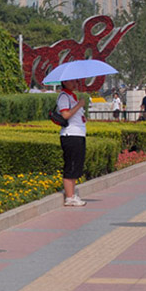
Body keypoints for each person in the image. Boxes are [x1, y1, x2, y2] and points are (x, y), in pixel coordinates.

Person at [57, 78, 89, 206]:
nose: (75, 83)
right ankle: (69, 197)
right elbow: (65, 115)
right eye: (72, 81)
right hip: (70, 134)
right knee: (71, 165)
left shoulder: (73, 96)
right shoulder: (63, 96)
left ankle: (72, 194)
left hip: (78, 134)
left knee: (77, 165)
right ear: (64, 82)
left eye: (76, 81)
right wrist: (79, 105)